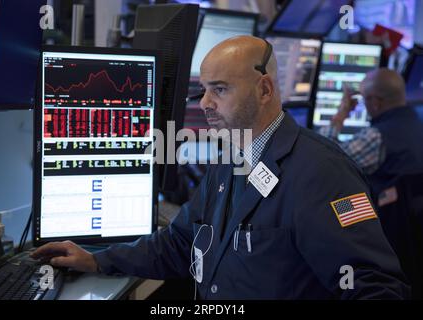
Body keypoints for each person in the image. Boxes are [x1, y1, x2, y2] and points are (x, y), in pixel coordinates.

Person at [31, 36, 410, 299]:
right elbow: (181, 242)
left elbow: (375, 288)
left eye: (221, 89)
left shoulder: (322, 172)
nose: (207, 103)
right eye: (204, 90)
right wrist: (97, 259)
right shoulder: (228, 158)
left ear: (264, 90)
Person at [319, 68, 423, 200]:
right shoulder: (417, 121)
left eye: (364, 99)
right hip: (412, 215)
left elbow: (325, 161)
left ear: (375, 102)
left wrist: (341, 114)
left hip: (377, 215)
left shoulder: (377, 137)